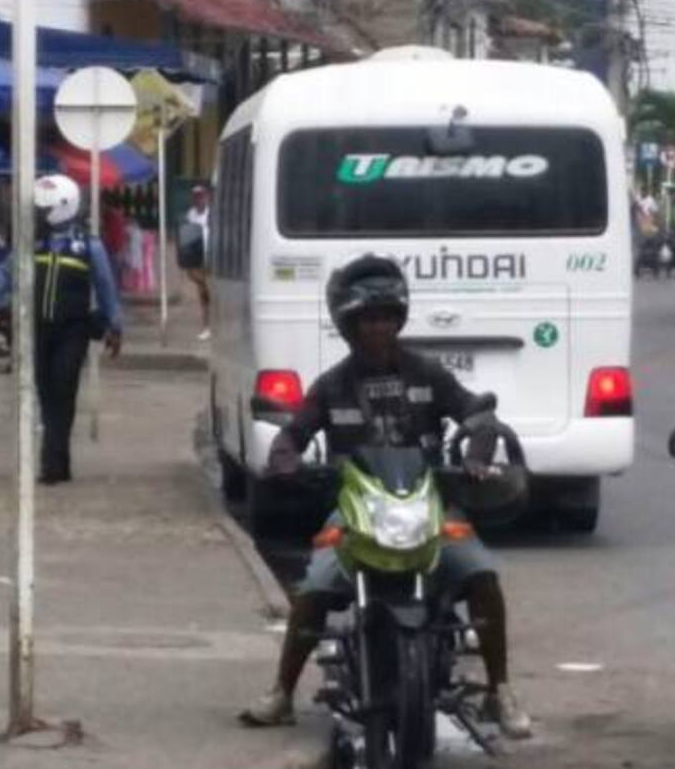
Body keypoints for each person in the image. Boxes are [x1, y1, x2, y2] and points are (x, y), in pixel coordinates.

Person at [239, 255, 533, 739]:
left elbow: (477, 415)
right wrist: (285, 460)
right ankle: (282, 692)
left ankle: (500, 690)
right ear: (348, 325)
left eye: (386, 318)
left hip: (429, 507)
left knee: (482, 574)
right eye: (367, 319)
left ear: (399, 319)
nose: (378, 328)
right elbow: (292, 434)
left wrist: (478, 454)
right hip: (354, 512)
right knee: (313, 587)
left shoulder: (428, 373)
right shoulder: (331, 386)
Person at [0, 175, 124, 484]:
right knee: (45, 393)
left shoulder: (88, 246)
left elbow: (106, 287)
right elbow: (7, 272)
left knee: (63, 389)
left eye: (43, 208)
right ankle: (59, 462)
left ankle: (52, 464)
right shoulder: (33, 243)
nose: (38, 213)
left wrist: (115, 326)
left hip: (73, 331)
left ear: (63, 206)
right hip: (38, 330)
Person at [179, 185, 211, 341]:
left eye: (201, 196)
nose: (199, 200)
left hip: (211, 257)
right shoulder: (190, 214)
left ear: (207, 197)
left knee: (209, 293)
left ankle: (210, 325)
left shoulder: (212, 213)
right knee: (203, 292)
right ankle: (206, 326)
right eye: (196, 197)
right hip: (197, 258)